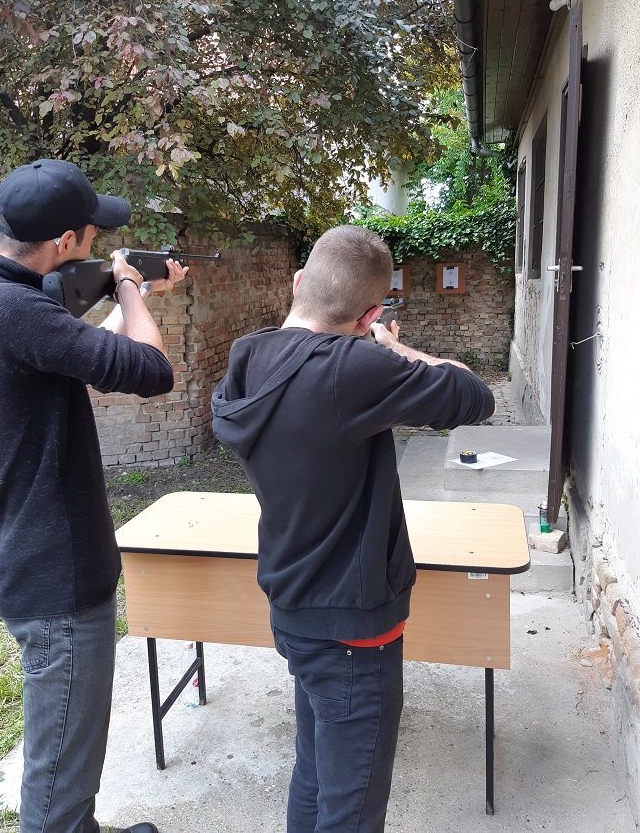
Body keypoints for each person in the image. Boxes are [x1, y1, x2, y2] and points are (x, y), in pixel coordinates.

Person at [211, 225, 495, 833]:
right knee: (352, 807)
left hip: (293, 607)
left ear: (297, 283)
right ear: (370, 315)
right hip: (352, 627)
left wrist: (371, 349)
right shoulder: (354, 368)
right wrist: (394, 349)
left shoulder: (246, 357)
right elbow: (473, 395)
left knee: (314, 776)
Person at [0, 159, 187, 833]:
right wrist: (130, 286)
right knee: (56, 784)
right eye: (91, 233)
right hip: (58, 573)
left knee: (71, 758)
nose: (96, 239)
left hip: (38, 553)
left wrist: (134, 295)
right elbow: (153, 370)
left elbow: (79, 352)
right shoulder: (13, 308)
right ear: (64, 242)